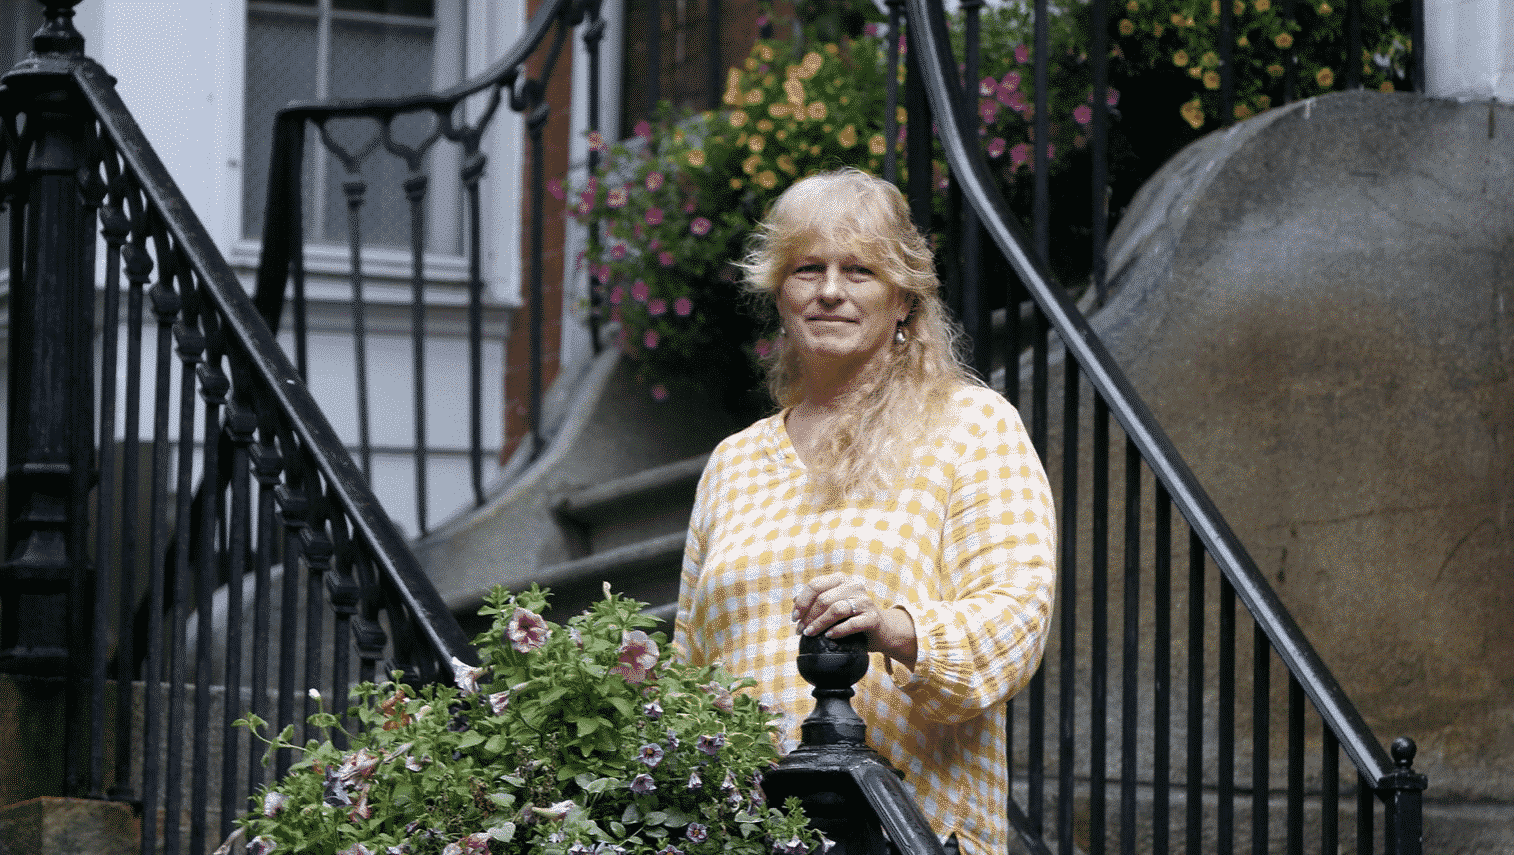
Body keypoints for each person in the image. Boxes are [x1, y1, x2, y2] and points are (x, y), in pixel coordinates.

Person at [673, 168, 1056, 855]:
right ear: (779, 294)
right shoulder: (731, 462)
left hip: (908, 829)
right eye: (806, 269)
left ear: (904, 299)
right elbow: (686, 666)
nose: (828, 291)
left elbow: (1016, 616)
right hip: (743, 834)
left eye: (859, 272)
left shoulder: (970, 426)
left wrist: (894, 626)